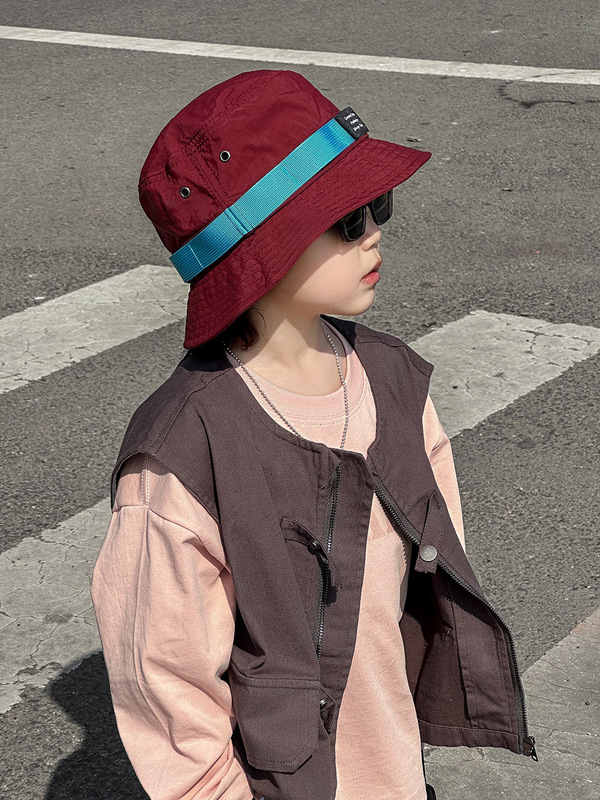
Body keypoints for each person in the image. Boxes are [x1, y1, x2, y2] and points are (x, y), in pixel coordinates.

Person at [90, 69, 537, 800]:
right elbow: (167, 693)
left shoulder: (394, 384)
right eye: (347, 218)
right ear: (264, 247)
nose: (375, 232)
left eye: (376, 204)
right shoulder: (183, 455)